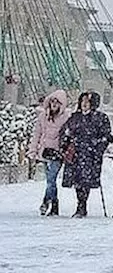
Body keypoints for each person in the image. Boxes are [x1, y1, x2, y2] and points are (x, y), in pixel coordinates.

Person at [59, 91, 112, 218]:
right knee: (77, 180)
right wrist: (65, 145)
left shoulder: (100, 118)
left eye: (87, 102)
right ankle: (80, 204)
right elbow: (65, 132)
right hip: (76, 153)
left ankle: (82, 205)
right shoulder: (74, 117)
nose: (84, 104)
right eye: (82, 101)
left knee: (85, 180)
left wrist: (97, 148)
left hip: (90, 154)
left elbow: (105, 137)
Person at [27, 88, 70, 216]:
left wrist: (63, 150)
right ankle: (55, 204)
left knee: (51, 179)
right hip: (44, 152)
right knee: (49, 180)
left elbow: (68, 136)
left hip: (57, 153)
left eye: (57, 102)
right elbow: (37, 134)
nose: (54, 105)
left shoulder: (65, 118)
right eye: (52, 102)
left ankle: (46, 201)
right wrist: (33, 150)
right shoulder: (43, 117)